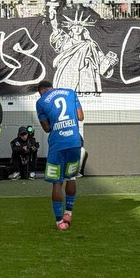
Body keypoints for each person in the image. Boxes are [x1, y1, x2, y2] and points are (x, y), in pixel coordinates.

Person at [36, 81, 83, 229]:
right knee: (71, 177)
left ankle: (59, 222)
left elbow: (47, 128)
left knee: (57, 182)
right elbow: (80, 116)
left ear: (41, 92)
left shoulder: (41, 102)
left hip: (57, 144)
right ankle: (68, 212)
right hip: (74, 141)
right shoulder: (70, 92)